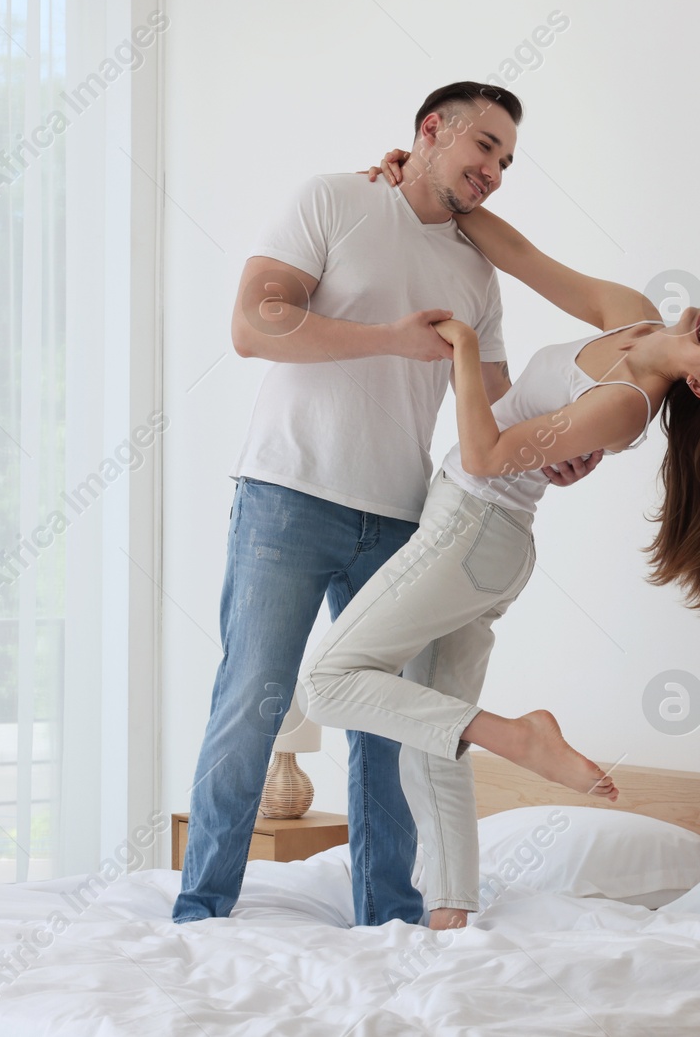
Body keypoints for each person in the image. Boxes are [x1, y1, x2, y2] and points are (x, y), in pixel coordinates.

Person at [297, 170, 700, 931]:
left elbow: (484, 452)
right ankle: (451, 919)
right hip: (480, 542)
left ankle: (518, 736)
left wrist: (465, 346)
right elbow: (521, 253)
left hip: (470, 534)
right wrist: (431, 181)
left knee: (329, 683)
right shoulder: (632, 317)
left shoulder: (629, 404)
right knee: (431, 743)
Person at [173, 83, 606, 927]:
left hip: (406, 514)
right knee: (252, 699)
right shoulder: (333, 199)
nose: (495, 170)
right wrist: (392, 339)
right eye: (484, 146)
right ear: (429, 131)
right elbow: (254, 326)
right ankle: (200, 914)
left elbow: (497, 402)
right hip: (286, 495)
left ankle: (390, 922)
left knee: (390, 726)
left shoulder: (476, 270)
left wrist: (549, 452)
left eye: (508, 160)